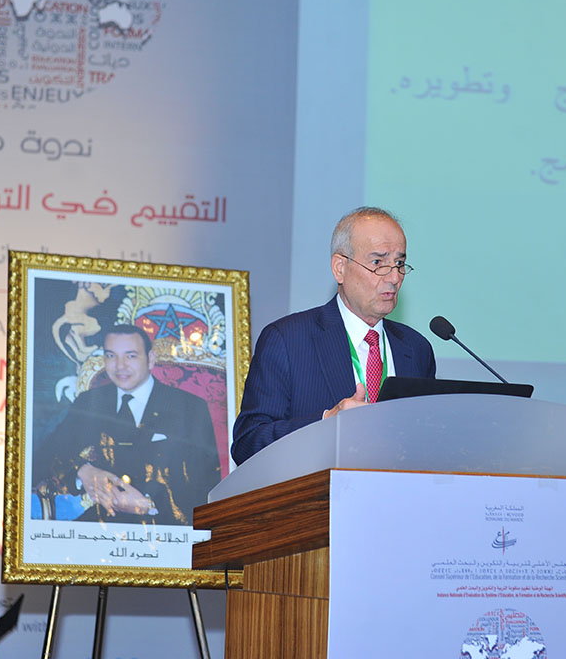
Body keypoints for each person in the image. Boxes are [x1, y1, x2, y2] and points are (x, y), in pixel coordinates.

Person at [231, 207, 436, 465]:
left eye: (399, 263)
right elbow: (247, 444)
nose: (394, 277)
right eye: (378, 263)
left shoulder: (416, 349)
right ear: (340, 268)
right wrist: (327, 423)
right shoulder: (287, 340)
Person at [35, 324, 221, 525]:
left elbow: (206, 484)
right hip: (97, 528)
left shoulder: (189, 407)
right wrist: (82, 472)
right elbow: (45, 458)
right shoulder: (89, 402)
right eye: (111, 356)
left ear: (150, 359)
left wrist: (148, 505)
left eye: (130, 356)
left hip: (166, 526)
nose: (120, 366)